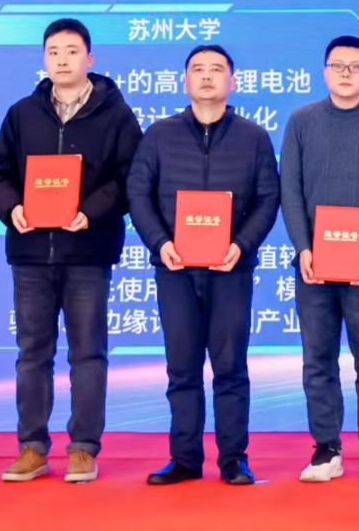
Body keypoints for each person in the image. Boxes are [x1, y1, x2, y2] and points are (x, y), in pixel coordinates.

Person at [0, 18, 142, 484]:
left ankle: (84, 447)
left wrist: (90, 212)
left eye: (71, 51)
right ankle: (32, 447)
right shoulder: (22, 114)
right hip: (31, 253)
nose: (62, 60)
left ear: (90, 58)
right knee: (32, 352)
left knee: (88, 352)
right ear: (43, 59)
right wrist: (12, 208)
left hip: (88, 250)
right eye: (53, 52)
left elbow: (130, 177)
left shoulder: (116, 115)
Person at [127, 44, 281, 486]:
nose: (207, 76)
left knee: (230, 366)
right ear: (185, 81)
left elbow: (268, 197)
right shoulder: (160, 135)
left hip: (231, 268)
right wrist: (160, 243)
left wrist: (241, 245)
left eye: (217, 69)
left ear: (233, 81)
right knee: (182, 367)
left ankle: (234, 459)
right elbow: (138, 192)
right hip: (175, 268)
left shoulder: (253, 137)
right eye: (198, 69)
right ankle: (184, 458)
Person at [280, 34, 359, 484]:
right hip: (313, 264)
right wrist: (303, 248)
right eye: (338, 66)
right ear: (324, 72)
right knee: (317, 358)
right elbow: (290, 189)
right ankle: (325, 448)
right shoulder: (301, 121)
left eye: (356, 67)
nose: (346, 73)